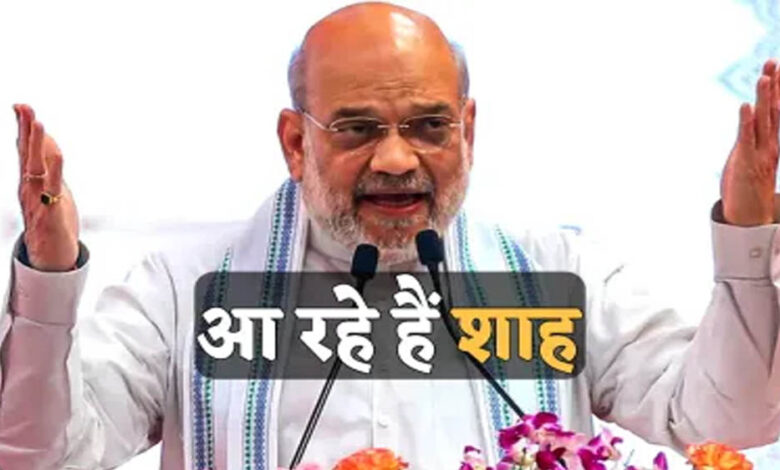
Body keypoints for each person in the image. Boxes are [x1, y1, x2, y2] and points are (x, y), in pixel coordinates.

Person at [2, 2, 780, 469]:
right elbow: (43, 456)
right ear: (295, 143)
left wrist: (748, 237)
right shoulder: (188, 292)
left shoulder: (557, 276)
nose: (398, 159)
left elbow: (720, 424)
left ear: (468, 130)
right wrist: (47, 278)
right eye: (358, 129)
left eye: (429, 126)